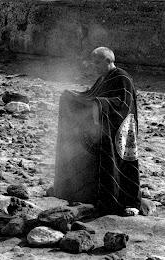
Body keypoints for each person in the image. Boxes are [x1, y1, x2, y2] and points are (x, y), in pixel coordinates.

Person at [57, 47, 141, 216]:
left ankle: (124, 201)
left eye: (96, 62)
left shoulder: (122, 78)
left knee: (121, 166)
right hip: (104, 129)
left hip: (119, 132)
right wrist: (72, 97)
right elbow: (90, 96)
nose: (93, 66)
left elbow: (122, 105)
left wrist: (99, 104)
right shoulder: (103, 79)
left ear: (108, 61)